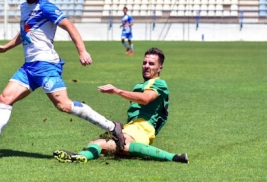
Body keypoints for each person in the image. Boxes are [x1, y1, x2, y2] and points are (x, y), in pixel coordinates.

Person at [0, 0, 125, 158]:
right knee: (5, 98)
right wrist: (5, 48)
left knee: (64, 105)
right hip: (29, 68)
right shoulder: (24, 7)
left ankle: (113, 126)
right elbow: (25, 31)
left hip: (46, 65)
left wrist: (82, 51)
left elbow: (70, 26)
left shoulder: (46, 7)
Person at [54, 47, 188, 164]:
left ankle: (173, 157)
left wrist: (117, 91)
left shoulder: (159, 84)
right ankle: (81, 157)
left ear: (160, 68)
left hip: (143, 128)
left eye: (151, 64)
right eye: (144, 62)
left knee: (109, 144)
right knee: (100, 144)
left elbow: (146, 99)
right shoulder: (139, 86)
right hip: (133, 127)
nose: (146, 66)